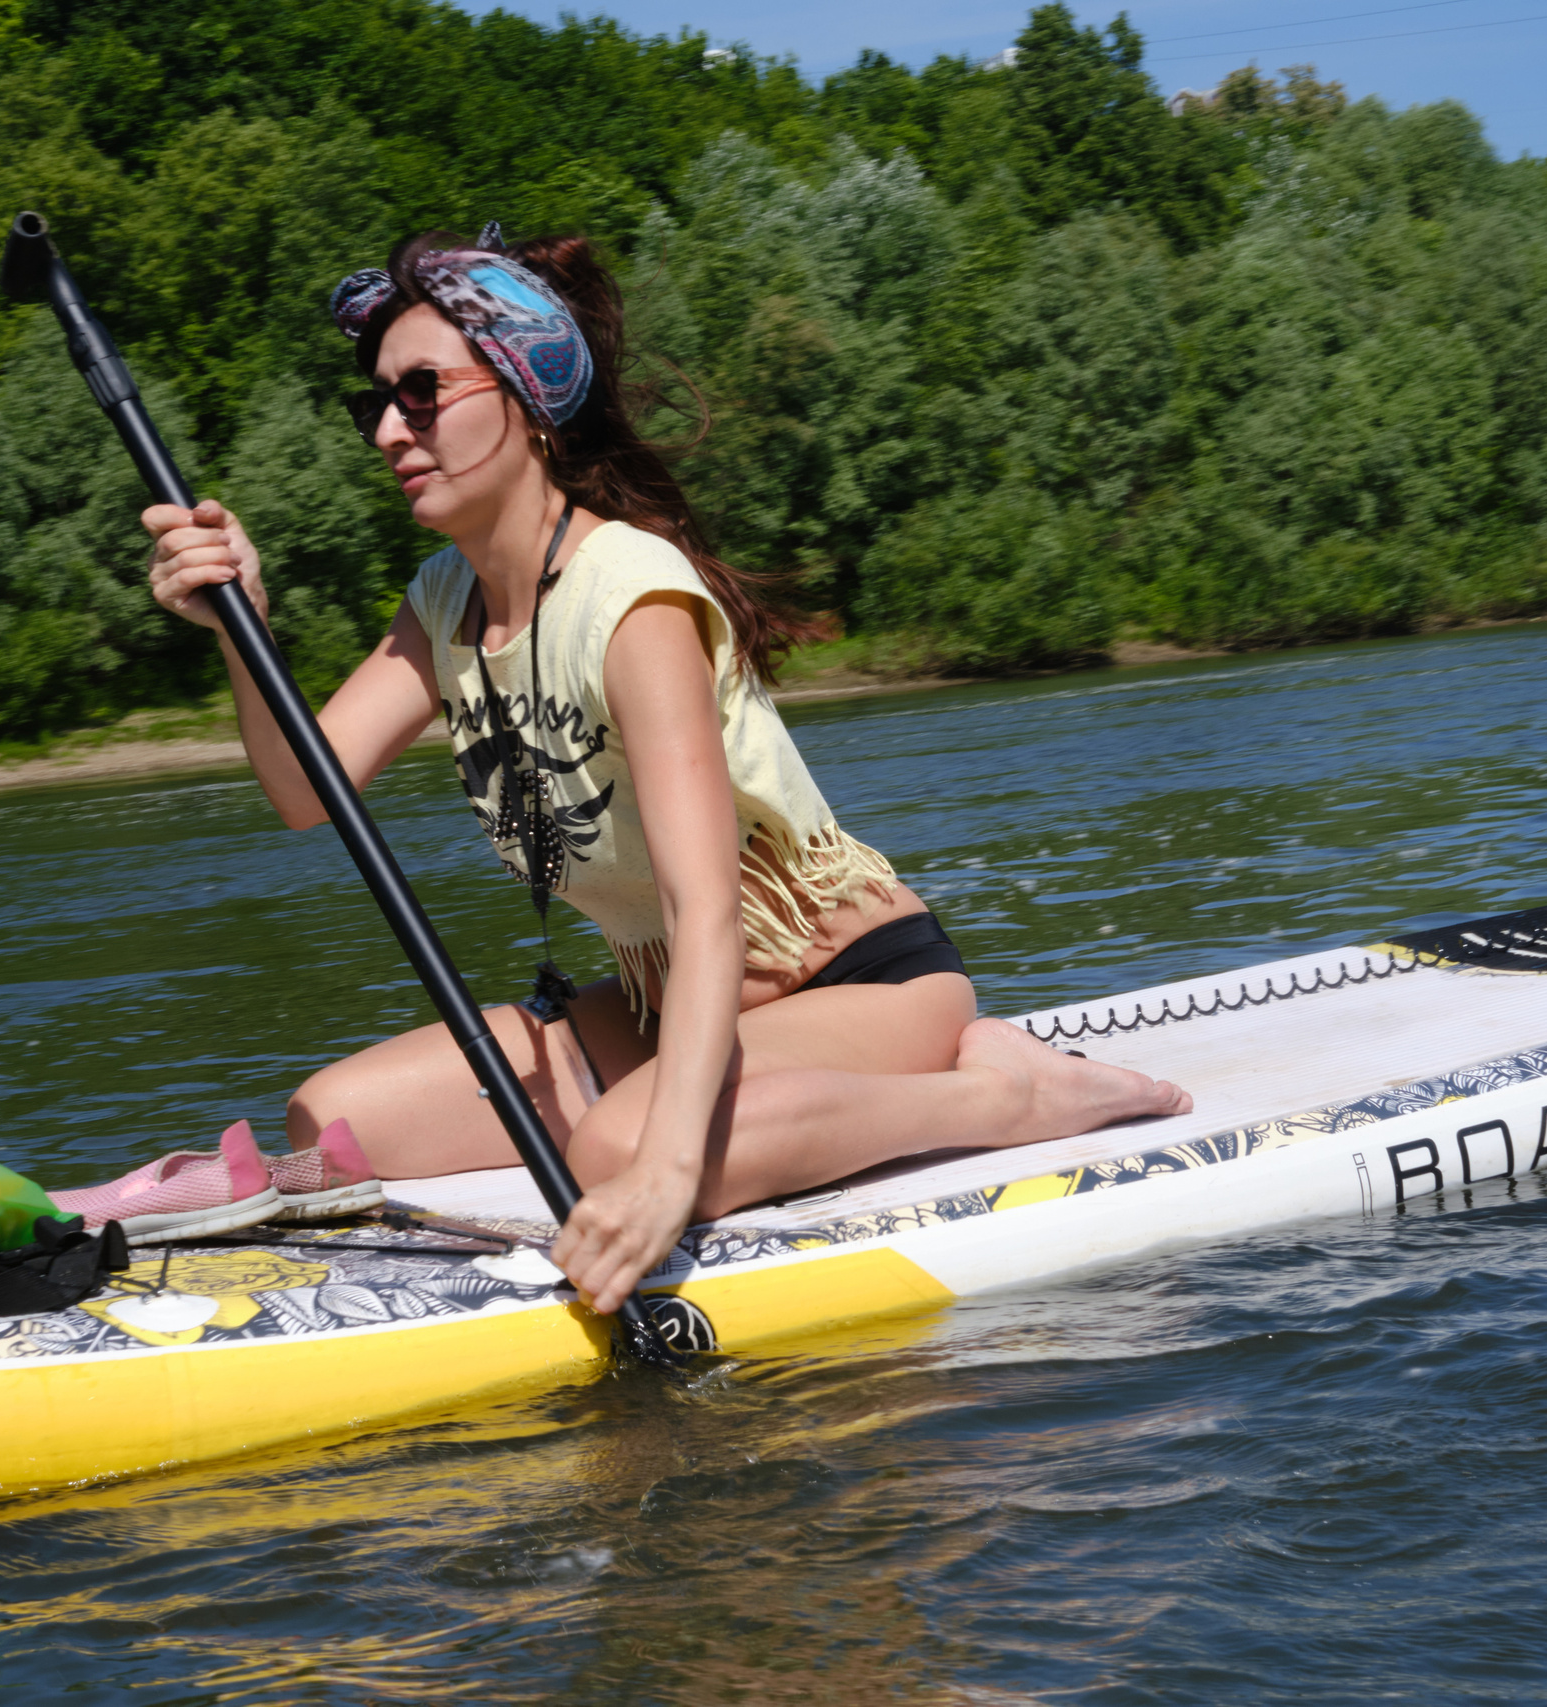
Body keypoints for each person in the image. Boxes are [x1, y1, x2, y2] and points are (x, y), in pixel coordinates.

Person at [123, 226, 1190, 1315]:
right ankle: (668, 1121)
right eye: (376, 406)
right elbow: (307, 793)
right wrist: (236, 627)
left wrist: (668, 1172)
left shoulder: (631, 592)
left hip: (861, 985)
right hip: (665, 1005)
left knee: (619, 1148)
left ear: (528, 391)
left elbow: (703, 898)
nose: (391, 429)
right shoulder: (443, 600)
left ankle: (1001, 1093)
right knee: (338, 1115)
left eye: (422, 392)